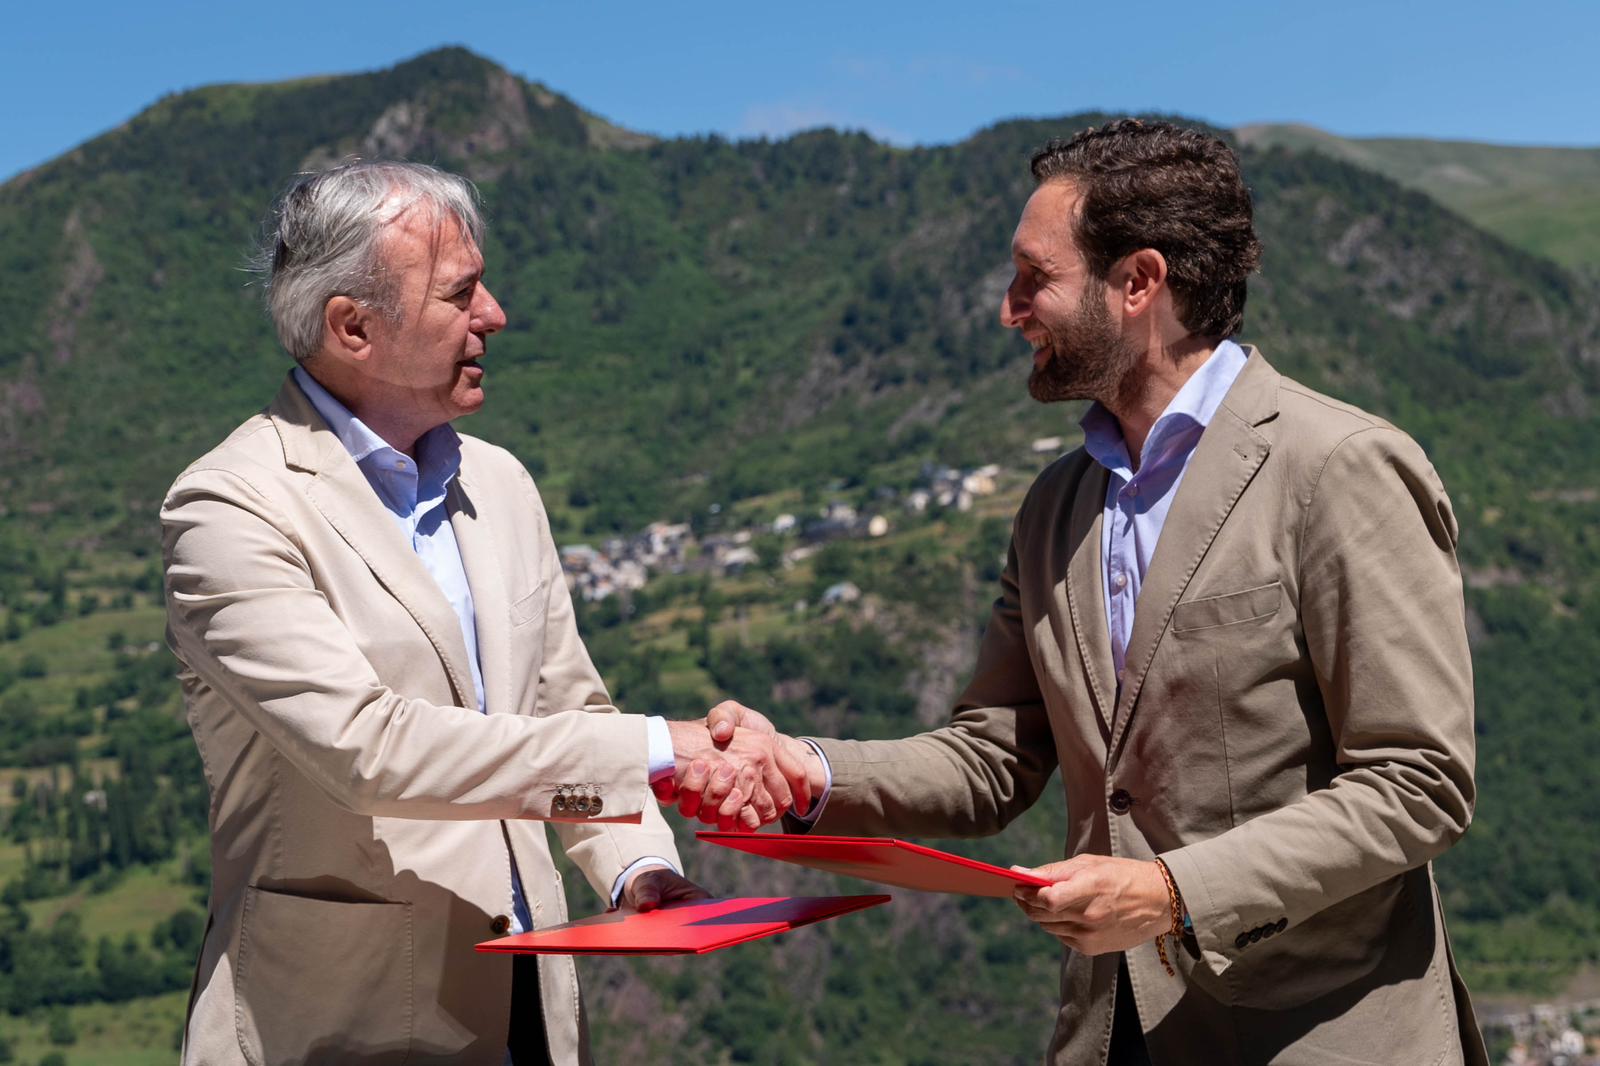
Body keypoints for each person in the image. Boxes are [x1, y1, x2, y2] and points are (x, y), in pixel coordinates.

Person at [710, 120, 1487, 1065]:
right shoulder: (1053, 508)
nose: (1010, 309)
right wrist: (808, 768)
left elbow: (1419, 784)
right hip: (1109, 1035)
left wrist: (1171, 893)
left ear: (1138, 283)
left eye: (1034, 277)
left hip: (1320, 1038)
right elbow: (995, 757)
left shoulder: (1339, 468)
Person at [161, 160, 802, 1065]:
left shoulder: (498, 482)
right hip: (330, 1029)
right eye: (461, 294)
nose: (494, 314)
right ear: (354, 327)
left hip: (529, 1014)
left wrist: (634, 867)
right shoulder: (229, 508)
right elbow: (369, 748)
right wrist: (666, 747)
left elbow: (562, 715)